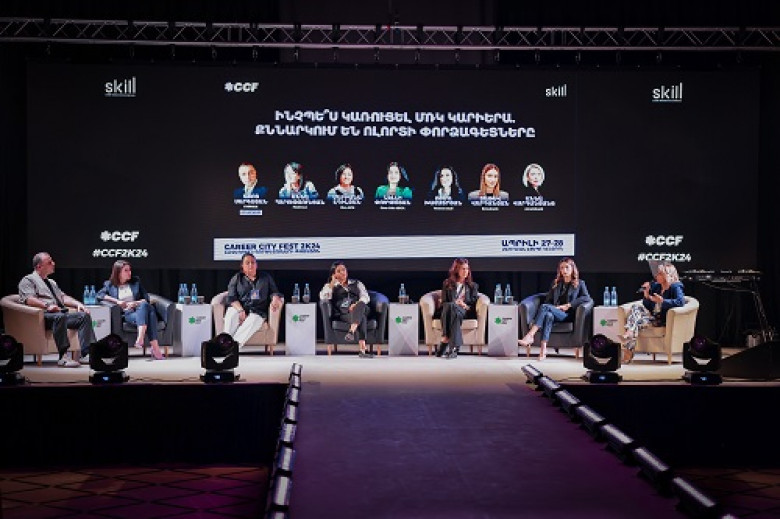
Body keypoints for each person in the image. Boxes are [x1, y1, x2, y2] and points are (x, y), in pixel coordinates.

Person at [17, 252, 94, 367]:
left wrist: (78, 304)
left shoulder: (51, 282)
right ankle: (63, 357)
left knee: (83, 316)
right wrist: (47, 306)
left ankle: (86, 354)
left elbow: (63, 297)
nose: (53, 263)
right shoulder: (28, 280)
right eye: (49, 262)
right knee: (59, 316)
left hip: (59, 314)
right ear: (39, 266)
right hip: (42, 316)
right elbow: (29, 299)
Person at [518, 258, 591, 360]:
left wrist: (569, 305)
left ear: (572, 268)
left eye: (567, 267)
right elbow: (548, 300)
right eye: (562, 268)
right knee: (548, 315)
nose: (564, 270)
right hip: (555, 312)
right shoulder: (556, 283)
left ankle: (530, 335)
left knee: (544, 307)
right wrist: (553, 309)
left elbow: (586, 298)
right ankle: (543, 350)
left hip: (567, 315)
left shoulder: (580, 283)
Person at [96, 260, 165, 360]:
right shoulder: (109, 285)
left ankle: (140, 338)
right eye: (126, 270)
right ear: (118, 272)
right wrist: (117, 301)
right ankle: (155, 348)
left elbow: (146, 299)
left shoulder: (135, 282)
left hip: (140, 308)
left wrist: (135, 303)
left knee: (144, 305)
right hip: (129, 313)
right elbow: (99, 295)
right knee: (150, 315)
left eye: (130, 270)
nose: (129, 273)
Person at [618, 262, 686, 363]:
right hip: (652, 317)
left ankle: (629, 347)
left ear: (667, 275)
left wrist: (663, 301)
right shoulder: (657, 287)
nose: (656, 276)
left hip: (663, 320)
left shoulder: (675, 286)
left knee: (635, 322)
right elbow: (648, 306)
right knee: (636, 309)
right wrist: (646, 294)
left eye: (660, 274)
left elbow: (680, 302)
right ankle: (630, 333)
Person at [223, 253, 283, 347]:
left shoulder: (265, 277)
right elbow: (231, 297)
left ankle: (233, 348)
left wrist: (275, 298)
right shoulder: (237, 278)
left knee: (253, 320)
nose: (250, 265)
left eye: (253, 262)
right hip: (240, 307)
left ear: (256, 265)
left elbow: (274, 291)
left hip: (258, 310)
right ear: (242, 266)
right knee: (231, 315)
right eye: (247, 263)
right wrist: (240, 310)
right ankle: (224, 343)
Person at [319, 261, 374, 358]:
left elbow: (365, 297)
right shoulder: (330, 286)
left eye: (344, 270)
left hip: (361, 308)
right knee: (362, 318)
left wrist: (356, 304)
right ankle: (362, 349)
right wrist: (332, 283)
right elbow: (323, 297)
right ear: (334, 274)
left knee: (361, 305)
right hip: (345, 314)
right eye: (339, 271)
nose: (342, 272)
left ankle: (351, 331)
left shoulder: (357, 283)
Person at [435, 258, 480, 359]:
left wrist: (463, 304)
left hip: (464, 311)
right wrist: (454, 303)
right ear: (456, 270)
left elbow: (473, 305)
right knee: (452, 307)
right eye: (463, 269)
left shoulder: (472, 286)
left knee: (452, 307)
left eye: (467, 269)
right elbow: (444, 302)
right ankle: (454, 347)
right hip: (450, 311)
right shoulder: (447, 284)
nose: (465, 271)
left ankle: (445, 338)